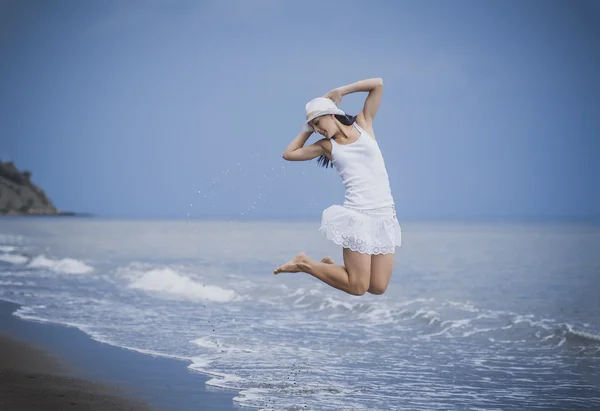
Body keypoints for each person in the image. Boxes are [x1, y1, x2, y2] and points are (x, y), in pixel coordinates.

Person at [274, 78, 401, 296]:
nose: (317, 129)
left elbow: (377, 84)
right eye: (313, 126)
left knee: (378, 287)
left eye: (317, 123)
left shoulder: (364, 124)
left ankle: (328, 267)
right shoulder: (326, 146)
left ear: (331, 114)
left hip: (384, 216)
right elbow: (289, 154)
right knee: (358, 287)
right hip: (357, 217)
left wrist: (340, 91)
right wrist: (308, 129)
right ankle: (305, 263)